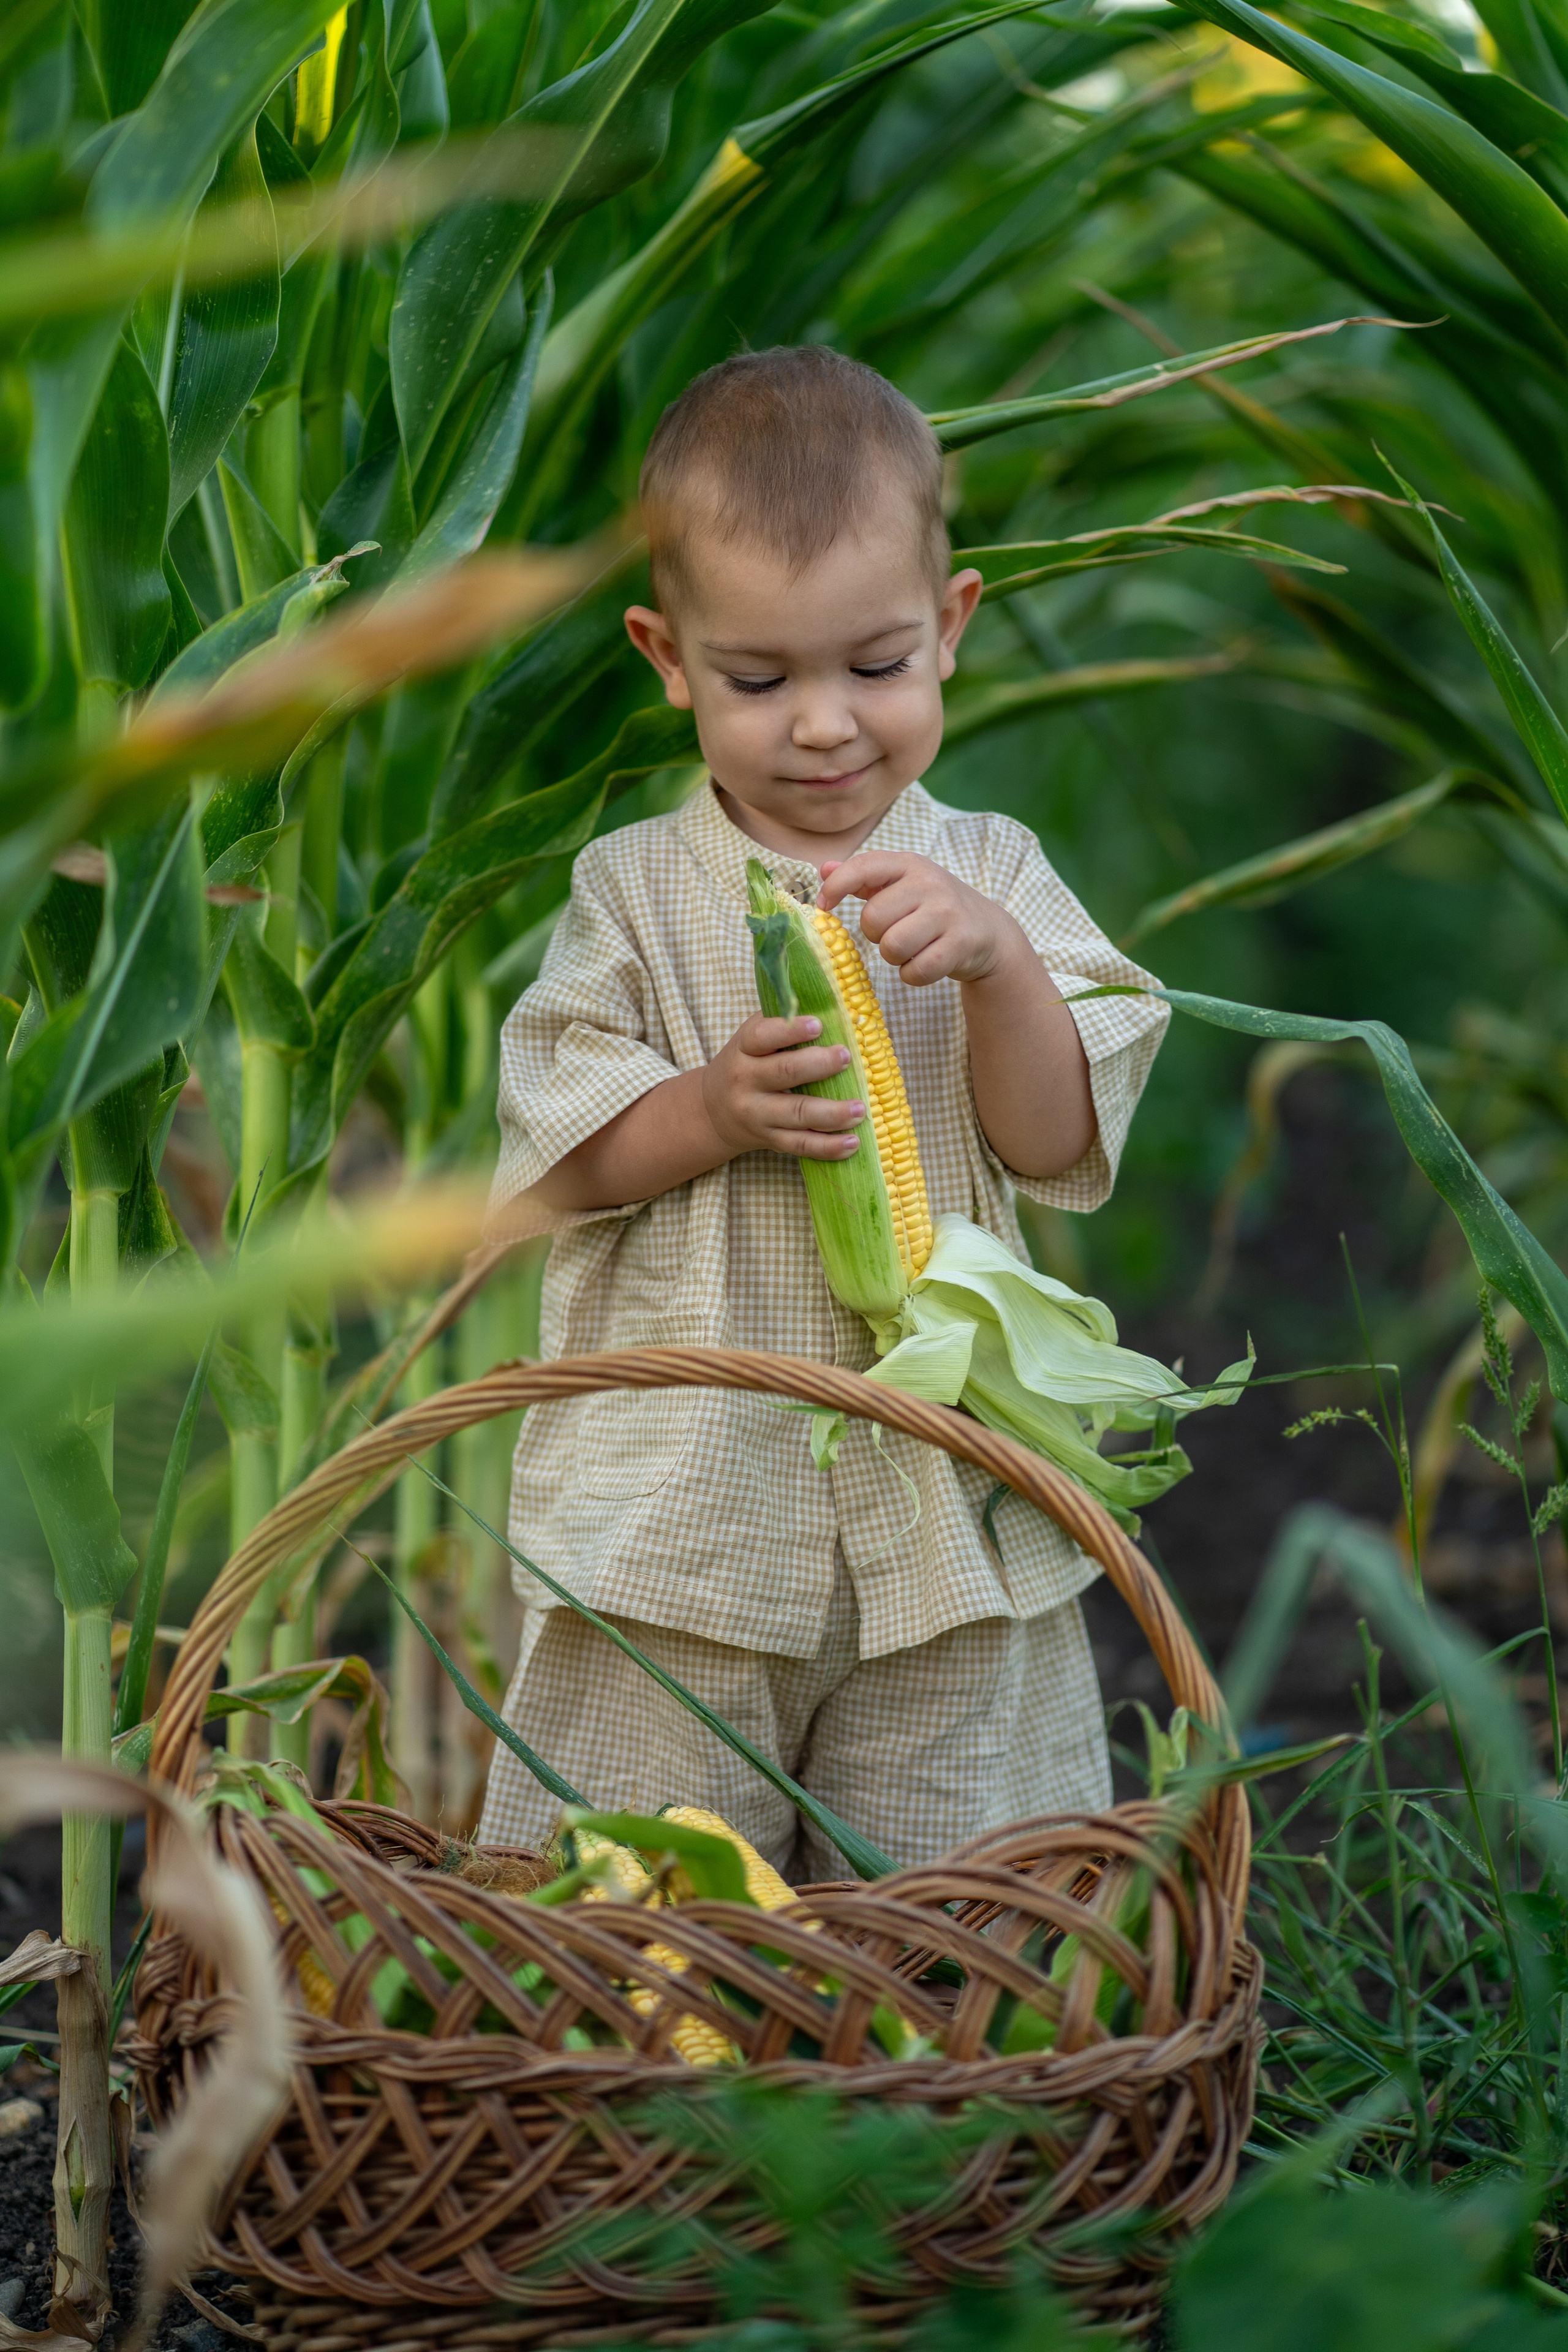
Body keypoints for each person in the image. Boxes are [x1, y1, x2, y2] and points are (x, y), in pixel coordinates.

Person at [477, 345, 1167, 1880]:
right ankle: (659, 2031)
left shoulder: (991, 874)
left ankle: (932, 2024)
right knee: (652, 1890)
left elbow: (1055, 1144)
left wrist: (998, 971)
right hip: (685, 1510)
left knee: (950, 1884)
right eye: (758, 680)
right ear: (666, 657)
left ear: (950, 626)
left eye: (874, 667)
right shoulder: (631, 894)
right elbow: (558, 1157)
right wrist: (707, 1110)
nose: (822, 727)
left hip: (944, 1491)